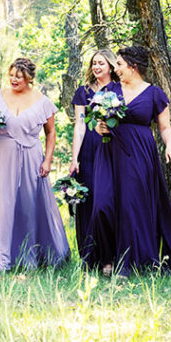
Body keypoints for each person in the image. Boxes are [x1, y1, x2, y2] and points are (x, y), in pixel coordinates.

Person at [103, 46, 171, 275]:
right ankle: (107, 258)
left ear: (133, 66)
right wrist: (100, 127)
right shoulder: (110, 90)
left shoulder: (154, 93)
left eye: (119, 64)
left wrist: (170, 147)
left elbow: (165, 127)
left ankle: (133, 263)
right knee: (106, 202)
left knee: (132, 203)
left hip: (140, 152)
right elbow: (97, 120)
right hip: (110, 151)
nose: (116, 69)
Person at [0, 57, 70, 270]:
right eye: (11, 75)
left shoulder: (42, 102)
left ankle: (29, 255)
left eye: (19, 76)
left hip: (30, 156)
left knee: (29, 204)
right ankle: (1, 257)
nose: (14, 79)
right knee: (1, 205)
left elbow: (51, 132)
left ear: (29, 78)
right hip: (0, 155)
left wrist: (47, 160)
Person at [69, 49, 119, 270]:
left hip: (111, 147)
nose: (96, 67)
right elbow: (80, 125)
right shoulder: (83, 92)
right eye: (94, 63)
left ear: (111, 66)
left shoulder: (119, 89)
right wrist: (74, 158)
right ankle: (89, 258)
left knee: (106, 202)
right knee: (88, 202)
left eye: (101, 63)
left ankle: (109, 258)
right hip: (88, 149)